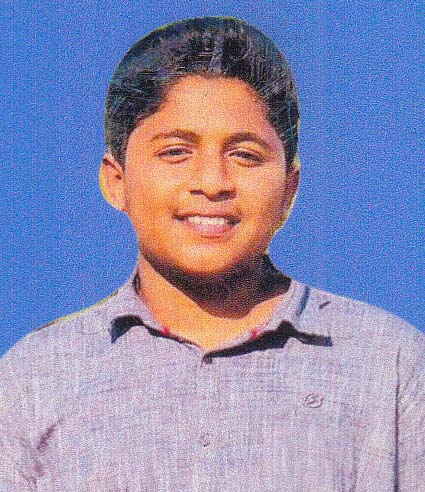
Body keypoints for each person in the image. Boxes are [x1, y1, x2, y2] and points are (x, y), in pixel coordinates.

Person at [0, 17, 423, 492]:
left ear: (289, 190)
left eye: (245, 155)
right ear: (116, 181)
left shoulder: (390, 364)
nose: (212, 183)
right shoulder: (36, 378)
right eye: (176, 152)